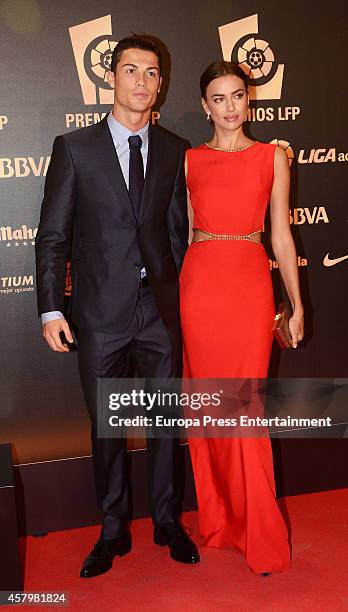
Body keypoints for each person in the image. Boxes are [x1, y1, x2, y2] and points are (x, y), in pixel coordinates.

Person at [35, 34, 199, 578]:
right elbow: (52, 237)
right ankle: (111, 529)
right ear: (112, 77)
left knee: (164, 423)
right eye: (132, 70)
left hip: (159, 314)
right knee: (107, 427)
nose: (143, 82)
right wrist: (51, 309)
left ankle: (167, 521)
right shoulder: (75, 149)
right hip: (99, 315)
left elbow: (177, 236)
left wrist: (182, 309)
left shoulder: (175, 150)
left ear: (160, 84)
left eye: (153, 73)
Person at [179, 61, 304, 574]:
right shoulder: (187, 160)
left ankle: (261, 534)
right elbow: (186, 234)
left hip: (249, 283)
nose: (231, 107)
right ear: (205, 106)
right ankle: (223, 519)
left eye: (238, 96)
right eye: (220, 98)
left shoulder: (273, 157)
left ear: (248, 101)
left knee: (243, 409)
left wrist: (297, 304)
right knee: (209, 406)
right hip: (200, 284)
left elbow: (281, 236)